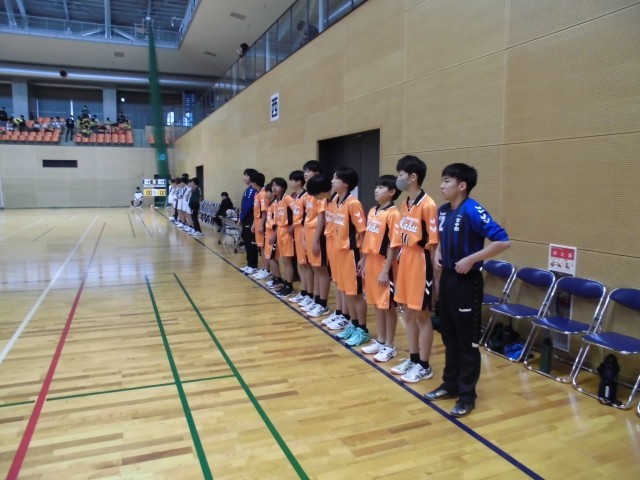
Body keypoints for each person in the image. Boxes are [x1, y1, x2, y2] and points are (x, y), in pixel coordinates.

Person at [424, 163, 510, 418]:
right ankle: (449, 385)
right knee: (449, 337)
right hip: (448, 279)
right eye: (442, 180)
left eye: (447, 181)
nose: (441, 186)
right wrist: (438, 253)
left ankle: (467, 396)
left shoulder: (473, 209)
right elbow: (441, 238)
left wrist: (471, 259)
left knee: (466, 342)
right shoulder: (442, 211)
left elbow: (503, 241)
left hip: (467, 282)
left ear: (462, 186)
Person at [390, 155, 439, 384]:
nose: (398, 178)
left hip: (421, 261)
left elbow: (434, 242)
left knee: (422, 315)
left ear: (412, 177)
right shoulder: (405, 203)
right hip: (406, 260)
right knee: (408, 313)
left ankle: (425, 366)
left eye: (400, 174)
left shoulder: (428, 205)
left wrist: (436, 278)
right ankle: (413, 357)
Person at [359, 175, 402, 362]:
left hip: (385, 263)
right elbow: (369, 238)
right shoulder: (372, 210)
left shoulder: (394, 214)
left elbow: (394, 244)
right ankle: (381, 340)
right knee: (376, 303)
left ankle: (390, 345)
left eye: (381, 187)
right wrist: (363, 260)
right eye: (376, 187)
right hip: (370, 261)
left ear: (392, 192)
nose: (376, 190)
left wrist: (386, 270)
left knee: (388, 305)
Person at [330, 167, 369, 347]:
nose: (332, 181)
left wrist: (363, 258)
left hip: (352, 253)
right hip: (340, 253)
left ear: (345, 183)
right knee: (346, 292)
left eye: (335, 178)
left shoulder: (353, 203)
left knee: (356, 293)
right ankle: (353, 324)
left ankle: (362, 329)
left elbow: (363, 231)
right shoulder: (338, 201)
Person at [299, 161, 331, 318]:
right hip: (309, 233)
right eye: (304, 170)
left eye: (308, 170)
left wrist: (316, 240)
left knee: (321, 270)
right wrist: (305, 237)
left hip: (318, 235)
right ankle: (316, 300)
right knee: (315, 269)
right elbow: (307, 218)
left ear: (317, 173)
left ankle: (322, 304)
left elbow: (321, 218)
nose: (305, 173)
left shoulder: (322, 194)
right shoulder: (309, 195)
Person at [270, 177, 295, 298]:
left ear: (284, 187)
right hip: (280, 231)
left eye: (277, 185)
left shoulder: (288, 198)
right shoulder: (277, 202)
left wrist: (293, 226)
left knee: (287, 260)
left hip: (287, 232)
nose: (274, 188)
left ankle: (289, 285)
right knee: (284, 260)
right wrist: (274, 236)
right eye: (273, 185)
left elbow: (299, 212)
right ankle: (286, 282)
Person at [249, 173, 270, 280]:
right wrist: (254, 224)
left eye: (251, 182)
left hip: (262, 223)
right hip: (257, 222)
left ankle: (267, 269)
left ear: (254, 182)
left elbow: (264, 211)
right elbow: (256, 211)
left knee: (264, 247)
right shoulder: (257, 193)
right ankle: (263, 267)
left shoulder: (263, 194)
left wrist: (261, 225)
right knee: (260, 246)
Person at [240, 168, 259, 274]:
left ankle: (253, 264)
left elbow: (248, 206)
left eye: (246, 175)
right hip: (246, 218)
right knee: (247, 241)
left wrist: (242, 217)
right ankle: (249, 264)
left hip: (250, 218)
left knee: (251, 242)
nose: (244, 178)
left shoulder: (252, 190)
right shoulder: (248, 189)